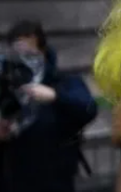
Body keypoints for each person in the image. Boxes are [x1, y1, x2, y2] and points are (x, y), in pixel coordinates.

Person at [0, 20, 98, 192]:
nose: (24, 62)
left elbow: (88, 108)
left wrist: (55, 96)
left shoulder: (63, 83)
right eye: (18, 55)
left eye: (30, 55)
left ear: (43, 53)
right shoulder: (6, 88)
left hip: (54, 182)